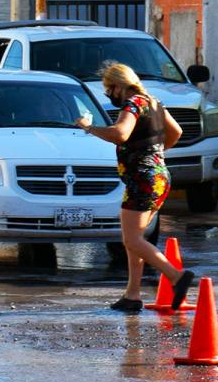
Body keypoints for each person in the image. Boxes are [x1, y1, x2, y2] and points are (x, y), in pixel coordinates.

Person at [74, 62, 194, 313]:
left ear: (118, 86)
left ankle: (176, 276)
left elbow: (120, 134)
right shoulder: (153, 102)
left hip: (143, 179)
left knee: (132, 239)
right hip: (158, 177)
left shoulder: (133, 103)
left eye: (109, 89)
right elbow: (177, 131)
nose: (109, 94)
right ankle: (132, 294)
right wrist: (154, 153)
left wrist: (88, 127)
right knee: (134, 240)